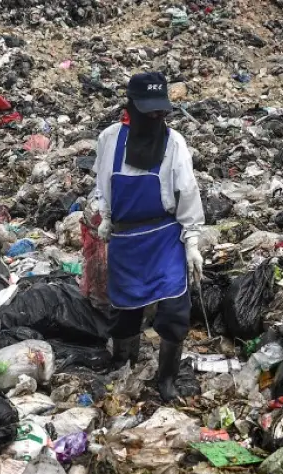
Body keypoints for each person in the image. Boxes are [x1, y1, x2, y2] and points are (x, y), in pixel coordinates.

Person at [92, 71, 204, 401]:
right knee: (124, 309)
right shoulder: (110, 140)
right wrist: (106, 217)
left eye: (161, 112)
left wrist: (192, 242)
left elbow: (187, 193)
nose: (156, 118)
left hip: (165, 238)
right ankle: (122, 362)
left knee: (174, 311)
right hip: (126, 240)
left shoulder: (174, 143)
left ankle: (166, 379)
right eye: (149, 112)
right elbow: (103, 184)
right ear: (132, 107)